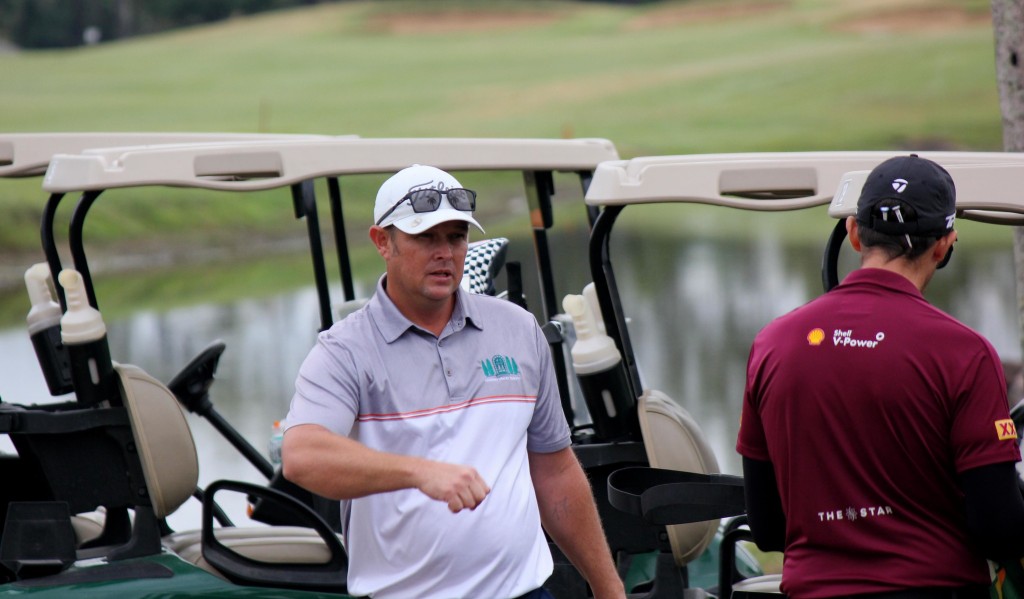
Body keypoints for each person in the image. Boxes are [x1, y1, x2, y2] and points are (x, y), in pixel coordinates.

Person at [282, 164, 624, 599]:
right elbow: (301, 455)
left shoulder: (518, 330)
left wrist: (608, 587)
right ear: (382, 241)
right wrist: (419, 472)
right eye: (426, 237)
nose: (445, 252)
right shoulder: (344, 350)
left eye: (456, 236)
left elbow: (555, 472)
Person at [736, 155, 1024, 598]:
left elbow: (769, 529)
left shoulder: (772, 345)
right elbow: (998, 529)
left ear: (854, 234)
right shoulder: (965, 353)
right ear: (945, 245)